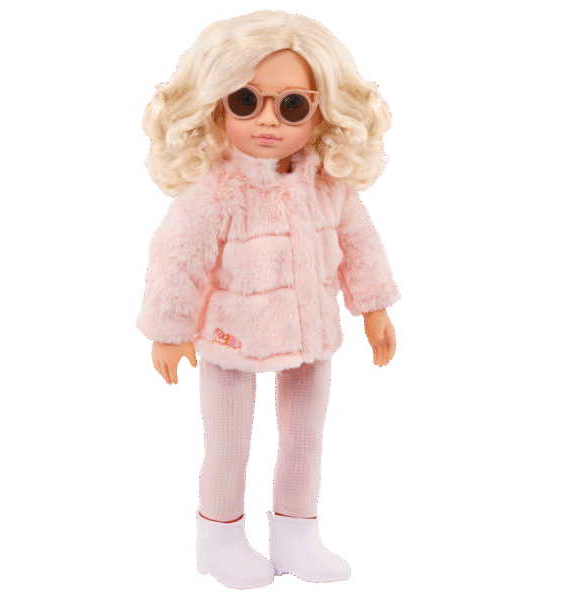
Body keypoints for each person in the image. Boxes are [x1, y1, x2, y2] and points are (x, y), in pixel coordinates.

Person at [136, 10, 402, 590]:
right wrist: (169, 330)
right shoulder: (215, 190)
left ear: (322, 110)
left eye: (292, 106)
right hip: (231, 330)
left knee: (305, 438)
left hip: (311, 328)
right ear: (216, 105)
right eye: (245, 101)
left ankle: (296, 532)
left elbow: (359, 245)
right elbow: (177, 259)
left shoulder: (327, 185)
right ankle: (220, 538)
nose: (266, 121)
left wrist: (374, 307)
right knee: (228, 441)